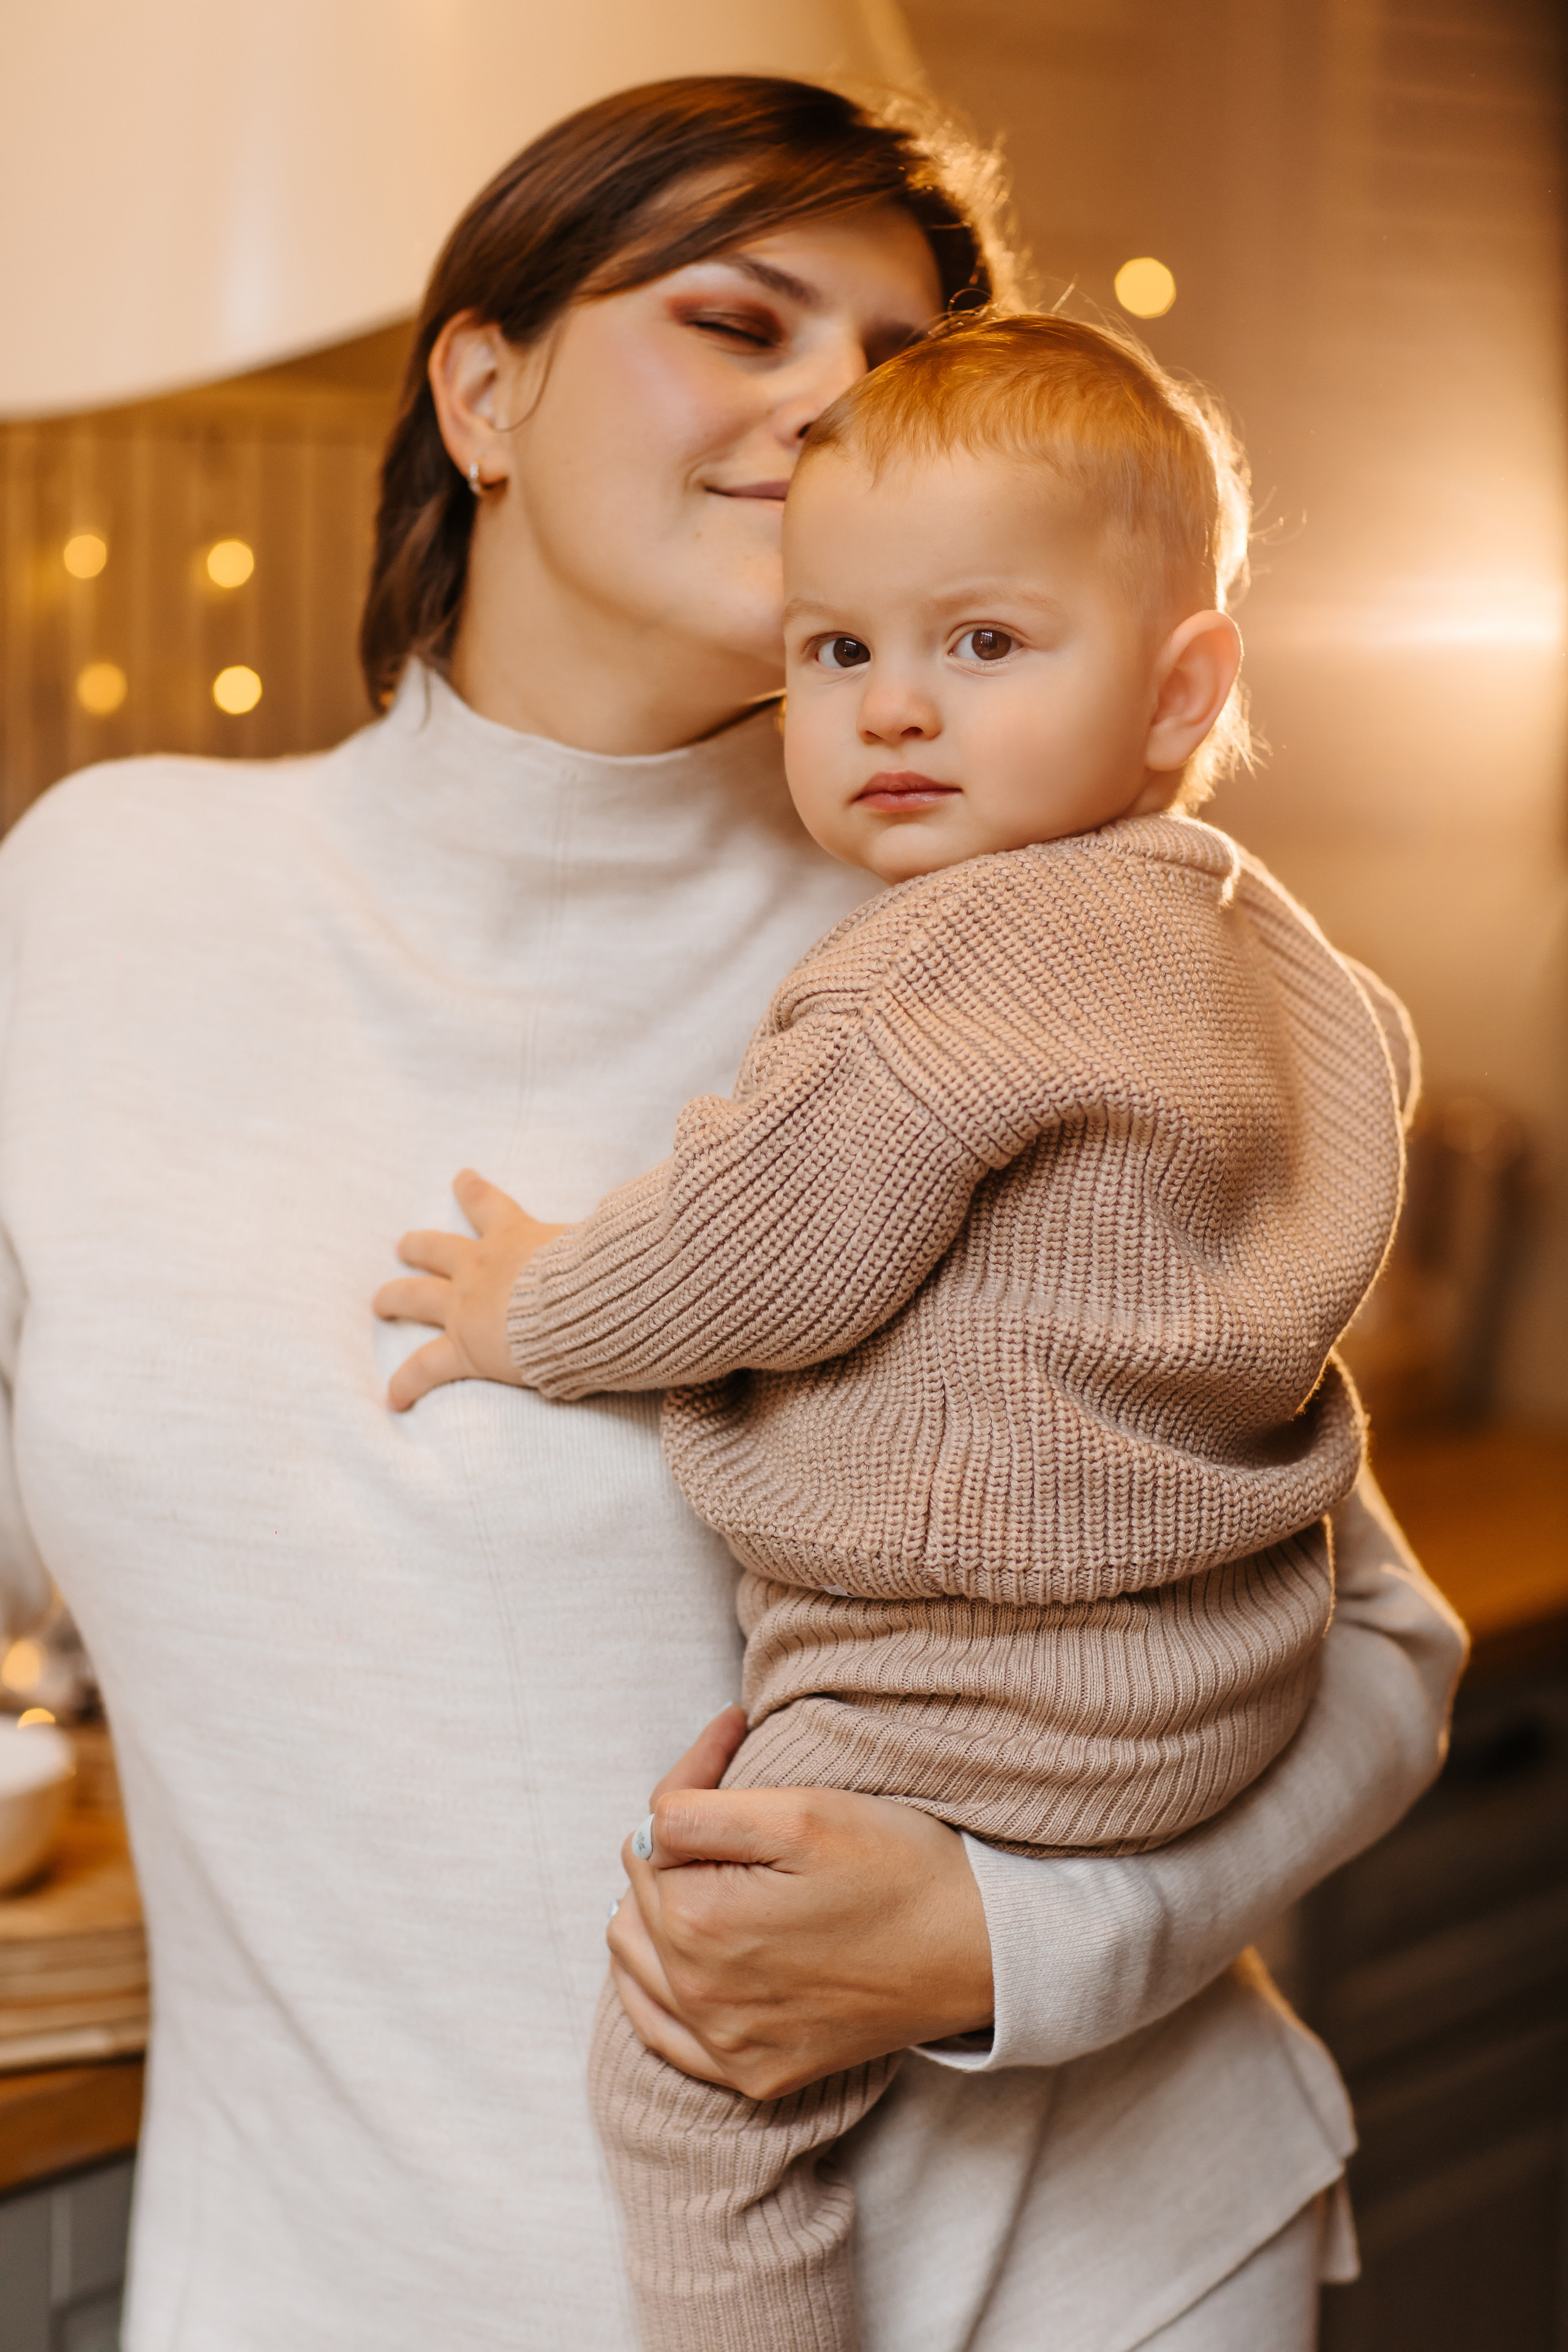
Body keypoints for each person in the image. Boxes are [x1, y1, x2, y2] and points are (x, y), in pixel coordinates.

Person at [0, 77, 1464, 2352]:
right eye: (741, 319)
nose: (822, 414)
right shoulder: (102, 895)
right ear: (480, 388)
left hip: (1069, 2280)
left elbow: (1365, 1646)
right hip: (317, 2286)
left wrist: (1010, 1940)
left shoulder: (1018, 929)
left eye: (893, 369)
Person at [377, 311, 1411, 2352]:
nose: (894, 711)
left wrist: (536, 1304)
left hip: (966, 1694)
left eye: (984, 645)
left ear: (1182, 686)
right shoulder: (1269, 954)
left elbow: (750, 1256)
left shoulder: (937, 964)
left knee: (688, 2075)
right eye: (837, 654)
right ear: (482, 391)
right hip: (1206, 1683)